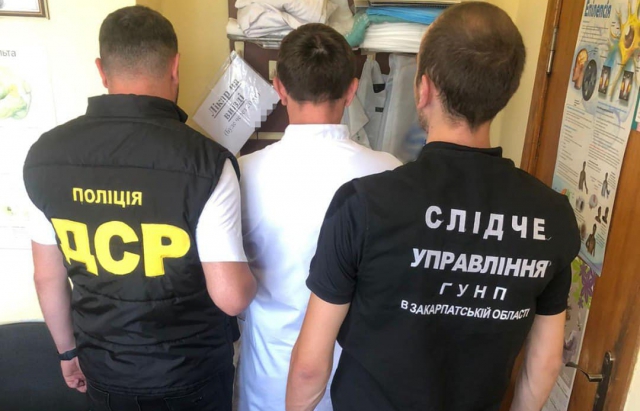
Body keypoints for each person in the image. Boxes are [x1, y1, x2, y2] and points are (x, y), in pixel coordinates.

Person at [287, 3, 581, 411]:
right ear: (505, 93)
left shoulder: (364, 205)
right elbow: (545, 362)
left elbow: (309, 369)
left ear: (423, 89)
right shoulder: (552, 217)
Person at [23, 6, 256, 411]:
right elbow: (232, 298)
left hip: (104, 371)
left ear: (101, 70)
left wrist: (67, 352)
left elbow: (47, 276)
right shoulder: (206, 161)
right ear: (175, 67)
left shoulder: (44, 157)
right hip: (191, 374)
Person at [236, 23, 401, 411]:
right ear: (352, 90)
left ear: (279, 88)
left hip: (271, 379)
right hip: (357, 381)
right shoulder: (391, 174)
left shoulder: (243, 174)